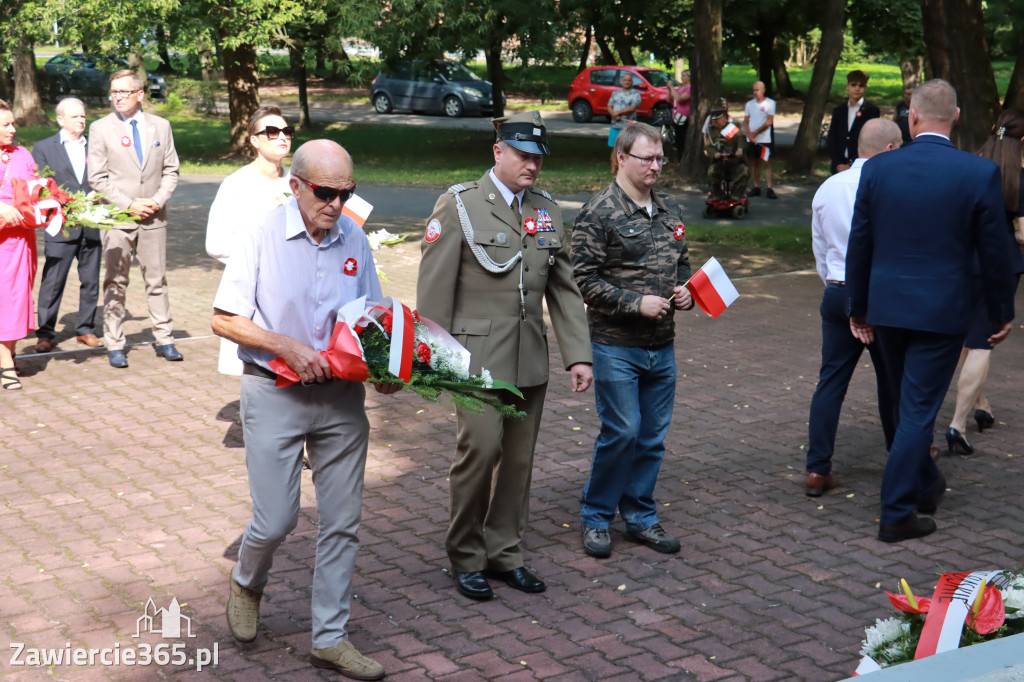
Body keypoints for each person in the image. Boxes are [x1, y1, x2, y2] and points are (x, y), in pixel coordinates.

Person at [212, 139, 394, 680]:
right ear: (295, 186)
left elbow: (372, 318)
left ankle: (330, 638)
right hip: (274, 392)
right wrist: (285, 345)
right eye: (326, 192)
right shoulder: (262, 236)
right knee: (276, 520)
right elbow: (224, 319)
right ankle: (247, 581)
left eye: (347, 192)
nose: (337, 203)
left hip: (340, 399)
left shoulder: (354, 237)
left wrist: (385, 368)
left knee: (342, 522)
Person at [416, 111, 593, 601]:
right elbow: (434, 291)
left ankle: (505, 553)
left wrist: (579, 355)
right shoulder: (460, 205)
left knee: (517, 461)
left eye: (537, 157)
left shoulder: (546, 210)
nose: (531, 165)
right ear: (498, 152)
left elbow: (563, 288)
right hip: (473, 358)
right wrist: (432, 361)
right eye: (522, 155)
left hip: (527, 357)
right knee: (480, 450)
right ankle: (466, 555)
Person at [846, 80, 1016, 543]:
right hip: (942, 308)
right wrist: (1002, 310)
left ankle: (925, 486)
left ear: (912, 116)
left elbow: (859, 243)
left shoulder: (878, 170)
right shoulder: (976, 173)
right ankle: (896, 511)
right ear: (956, 116)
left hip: (887, 306)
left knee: (906, 404)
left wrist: (857, 307)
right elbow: (995, 251)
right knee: (918, 410)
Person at [571, 122, 694, 558]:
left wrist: (686, 291)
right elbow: (581, 280)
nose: (656, 166)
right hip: (615, 345)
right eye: (647, 158)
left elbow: (683, 263)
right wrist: (634, 303)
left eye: (661, 158)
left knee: (652, 438)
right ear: (621, 158)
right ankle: (597, 516)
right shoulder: (599, 211)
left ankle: (640, 516)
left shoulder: (669, 209)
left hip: (662, 345)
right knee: (622, 431)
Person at [805, 119, 902, 497]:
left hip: (837, 289)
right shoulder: (890, 186)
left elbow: (819, 247)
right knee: (893, 380)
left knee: (830, 382)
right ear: (892, 148)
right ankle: (900, 455)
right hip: (880, 294)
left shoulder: (829, 186)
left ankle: (817, 467)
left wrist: (833, 286)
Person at [88, 69, 180, 369]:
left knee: (157, 280)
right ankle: (115, 343)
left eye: (123, 92)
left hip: (154, 216)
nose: (117, 98)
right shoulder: (101, 128)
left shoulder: (161, 126)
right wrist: (129, 205)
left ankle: (164, 338)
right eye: (113, 92)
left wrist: (155, 201)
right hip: (118, 218)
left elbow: (171, 170)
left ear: (140, 94)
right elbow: (97, 179)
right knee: (115, 280)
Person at [944, 108, 1024, 455]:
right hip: (1001, 261)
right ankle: (957, 424)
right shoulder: (1018, 177)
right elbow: (1022, 234)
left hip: (964, 257)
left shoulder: (972, 166)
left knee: (970, 334)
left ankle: (982, 405)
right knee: (982, 341)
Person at [206, 105, 293, 375]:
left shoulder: (298, 182)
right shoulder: (236, 185)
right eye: (272, 132)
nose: (282, 137)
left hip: (294, 291)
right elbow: (216, 243)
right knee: (256, 366)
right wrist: (261, 262)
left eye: (287, 131)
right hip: (253, 289)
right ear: (254, 140)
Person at [31, 97, 102, 353]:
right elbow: (39, 186)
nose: (81, 120)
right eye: (75, 117)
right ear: (60, 119)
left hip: (91, 224)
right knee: (53, 281)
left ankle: (86, 329)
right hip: (61, 225)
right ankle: (45, 333)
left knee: (91, 280)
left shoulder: (95, 146)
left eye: (83, 116)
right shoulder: (43, 147)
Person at [0, 99, 40, 391]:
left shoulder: (23, 154)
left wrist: (53, 205)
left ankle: (9, 353)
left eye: (13, 123)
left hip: (22, 240)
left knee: (18, 299)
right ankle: (5, 367)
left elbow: (36, 189)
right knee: (3, 301)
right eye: (6, 125)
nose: (13, 129)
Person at [826, 70, 880, 174]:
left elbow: (871, 140)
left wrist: (851, 164)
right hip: (838, 165)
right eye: (853, 85)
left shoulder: (871, 110)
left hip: (859, 165)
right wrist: (837, 162)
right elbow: (832, 138)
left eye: (861, 86)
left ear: (865, 88)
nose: (857, 89)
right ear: (847, 86)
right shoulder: (839, 111)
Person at [703, 101, 750, 200]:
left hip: (734, 162)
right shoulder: (710, 131)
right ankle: (717, 195)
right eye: (713, 119)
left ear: (724, 118)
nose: (714, 122)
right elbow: (708, 146)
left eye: (717, 119)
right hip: (719, 163)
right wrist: (714, 154)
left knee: (745, 171)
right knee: (712, 171)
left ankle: (735, 195)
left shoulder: (730, 128)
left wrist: (740, 149)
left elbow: (741, 138)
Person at [743, 80, 777, 199]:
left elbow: (769, 121)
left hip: (764, 139)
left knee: (766, 162)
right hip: (751, 139)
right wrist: (749, 134)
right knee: (754, 162)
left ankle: (769, 188)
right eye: (754, 90)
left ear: (763, 90)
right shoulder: (750, 104)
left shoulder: (770, 103)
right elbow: (746, 120)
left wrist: (755, 133)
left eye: (757, 90)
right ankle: (756, 186)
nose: (755, 92)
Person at [607, 73, 641, 174]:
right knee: (614, 148)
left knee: (628, 149)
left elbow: (633, 108)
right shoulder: (615, 93)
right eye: (625, 80)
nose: (627, 82)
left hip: (628, 127)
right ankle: (613, 169)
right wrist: (613, 114)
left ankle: (626, 169)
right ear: (622, 81)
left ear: (632, 82)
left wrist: (618, 113)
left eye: (629, 80)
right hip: (615, 125)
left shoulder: (636, 94)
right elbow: (609, 105)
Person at [666, 71, 691, 161]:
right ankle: (679, 157)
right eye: (682, 76)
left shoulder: (690, 89)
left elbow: (680, 99)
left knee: (682, 138)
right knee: (677, 138)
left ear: (689, 77)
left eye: (684, 76)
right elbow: (669, 100)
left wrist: (672, 87)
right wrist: (669, 89)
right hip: (676, 116)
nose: (682, 78)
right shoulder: (680, 88)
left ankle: (682, 158)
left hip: (684, 117)